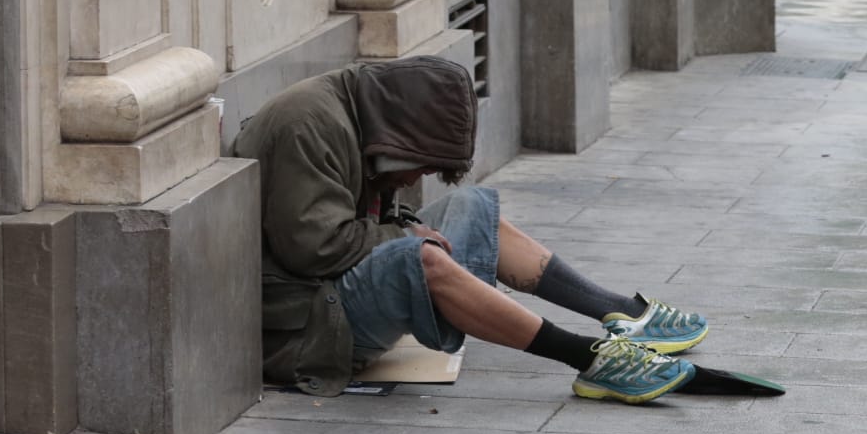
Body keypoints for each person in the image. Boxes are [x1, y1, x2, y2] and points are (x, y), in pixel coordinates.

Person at [235, 56, 708, 403]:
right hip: (309, 327)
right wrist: (405, 238)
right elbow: (314, 249)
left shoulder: (360, 108)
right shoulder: (308, 126)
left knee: (472, 207)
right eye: (417, 167)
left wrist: (401, 226)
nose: (413, 180)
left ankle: (620, 313)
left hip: (327, 285)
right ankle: (592, 359)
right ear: (396, 140)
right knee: (422, 260)